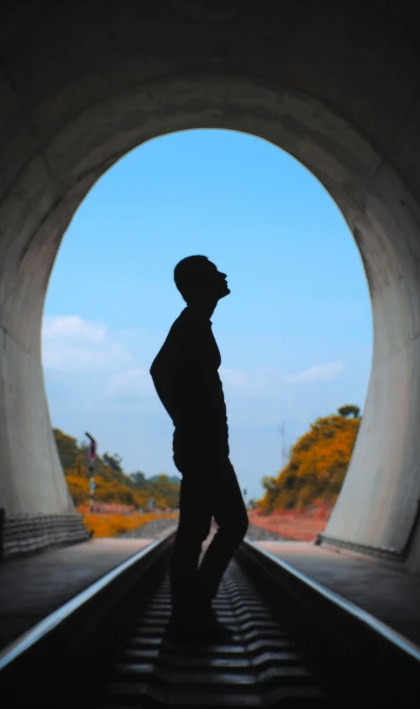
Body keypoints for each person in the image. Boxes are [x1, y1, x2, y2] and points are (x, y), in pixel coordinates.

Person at [150, 256, 249, 643]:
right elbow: (159, 371)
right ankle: (193, 613)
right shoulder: (190, 324)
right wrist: (185, 420)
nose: (224, 275)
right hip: (202, 446)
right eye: (213, 272)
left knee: (194, 531)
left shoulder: (195, 323)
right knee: (228, 525)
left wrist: (185, 421)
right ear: (198, 284)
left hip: (203, 444)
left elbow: (163, 373)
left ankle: (189, 615)